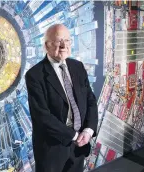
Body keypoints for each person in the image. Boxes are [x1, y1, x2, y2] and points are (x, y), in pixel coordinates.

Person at [25, 24, 98, 172]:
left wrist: (88, 131)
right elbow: (42, 117)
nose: (64, 46)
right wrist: (74, 135)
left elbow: (90, 100)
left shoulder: (78, 67)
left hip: (79, 146)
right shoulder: (35, 75)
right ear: (46, 45)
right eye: (58, 41)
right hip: (52, 150)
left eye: (67, 40)